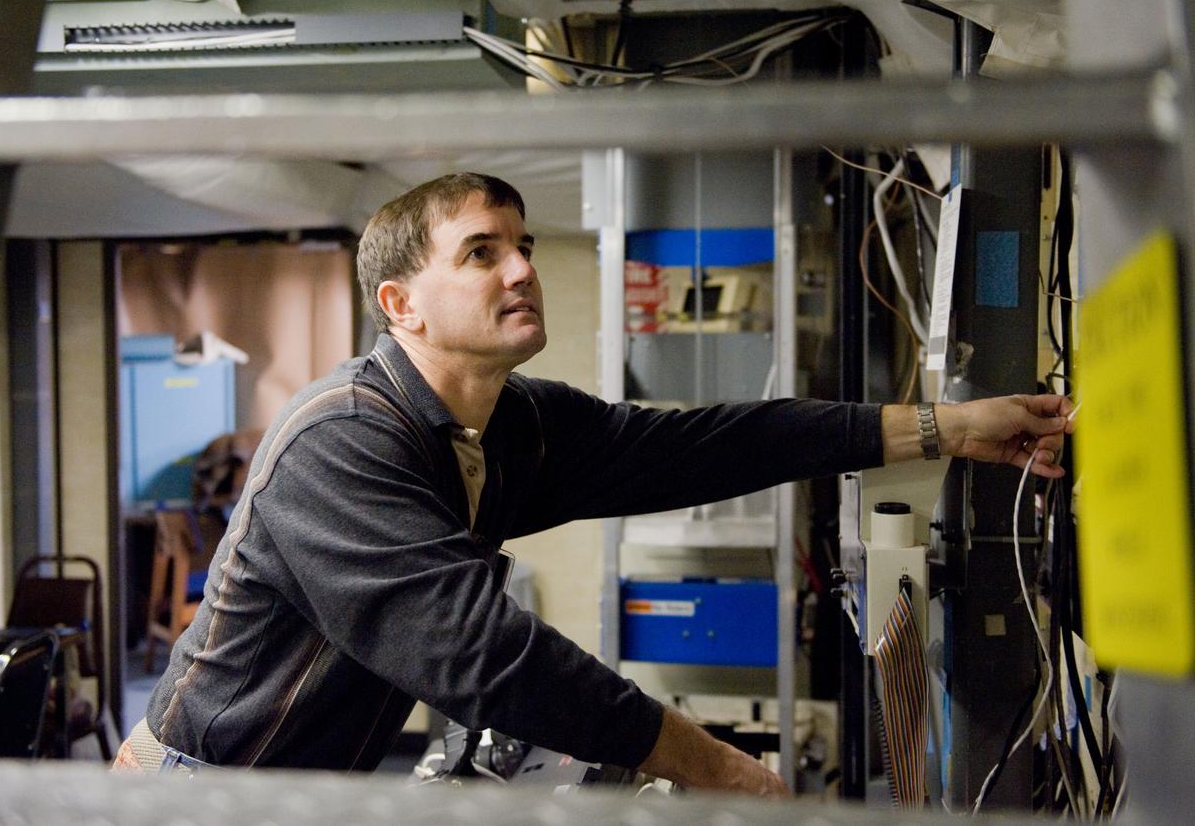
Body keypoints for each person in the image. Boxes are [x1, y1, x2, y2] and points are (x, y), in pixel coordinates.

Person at [115, 173, 1072, 797]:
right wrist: (726, 771)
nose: (523, 267)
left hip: (299, 787)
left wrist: (948, 427)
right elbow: (484, 656)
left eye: (522, 244)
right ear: (399, 304)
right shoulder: (342, 443)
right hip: (198, 792)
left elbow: (708, 446)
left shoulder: (512, 422)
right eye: (482, 252)